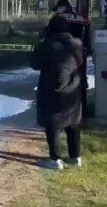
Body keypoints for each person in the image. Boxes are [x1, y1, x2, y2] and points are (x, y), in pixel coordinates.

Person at [31, 16, 83, 170]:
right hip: (73, 89)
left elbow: (34, 64)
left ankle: (55, 159)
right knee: (73, 123)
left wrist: (40, 42)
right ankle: (75, 157)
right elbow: (78, 61)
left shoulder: (48, 45)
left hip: (51, 89)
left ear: (51, 28)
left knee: (53, 123)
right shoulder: (77, 43)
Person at [47, 0, 92, 117]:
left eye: (57, 8)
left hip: (60, 55)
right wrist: (86, 51)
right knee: (79, 80)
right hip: (79, 54)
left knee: (59, 82)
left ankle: (60, 111)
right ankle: (82, 111)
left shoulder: (58, 18)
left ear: (62, 7)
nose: (56, 11)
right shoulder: (82, 19)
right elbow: (87, 39)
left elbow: (49, 38)